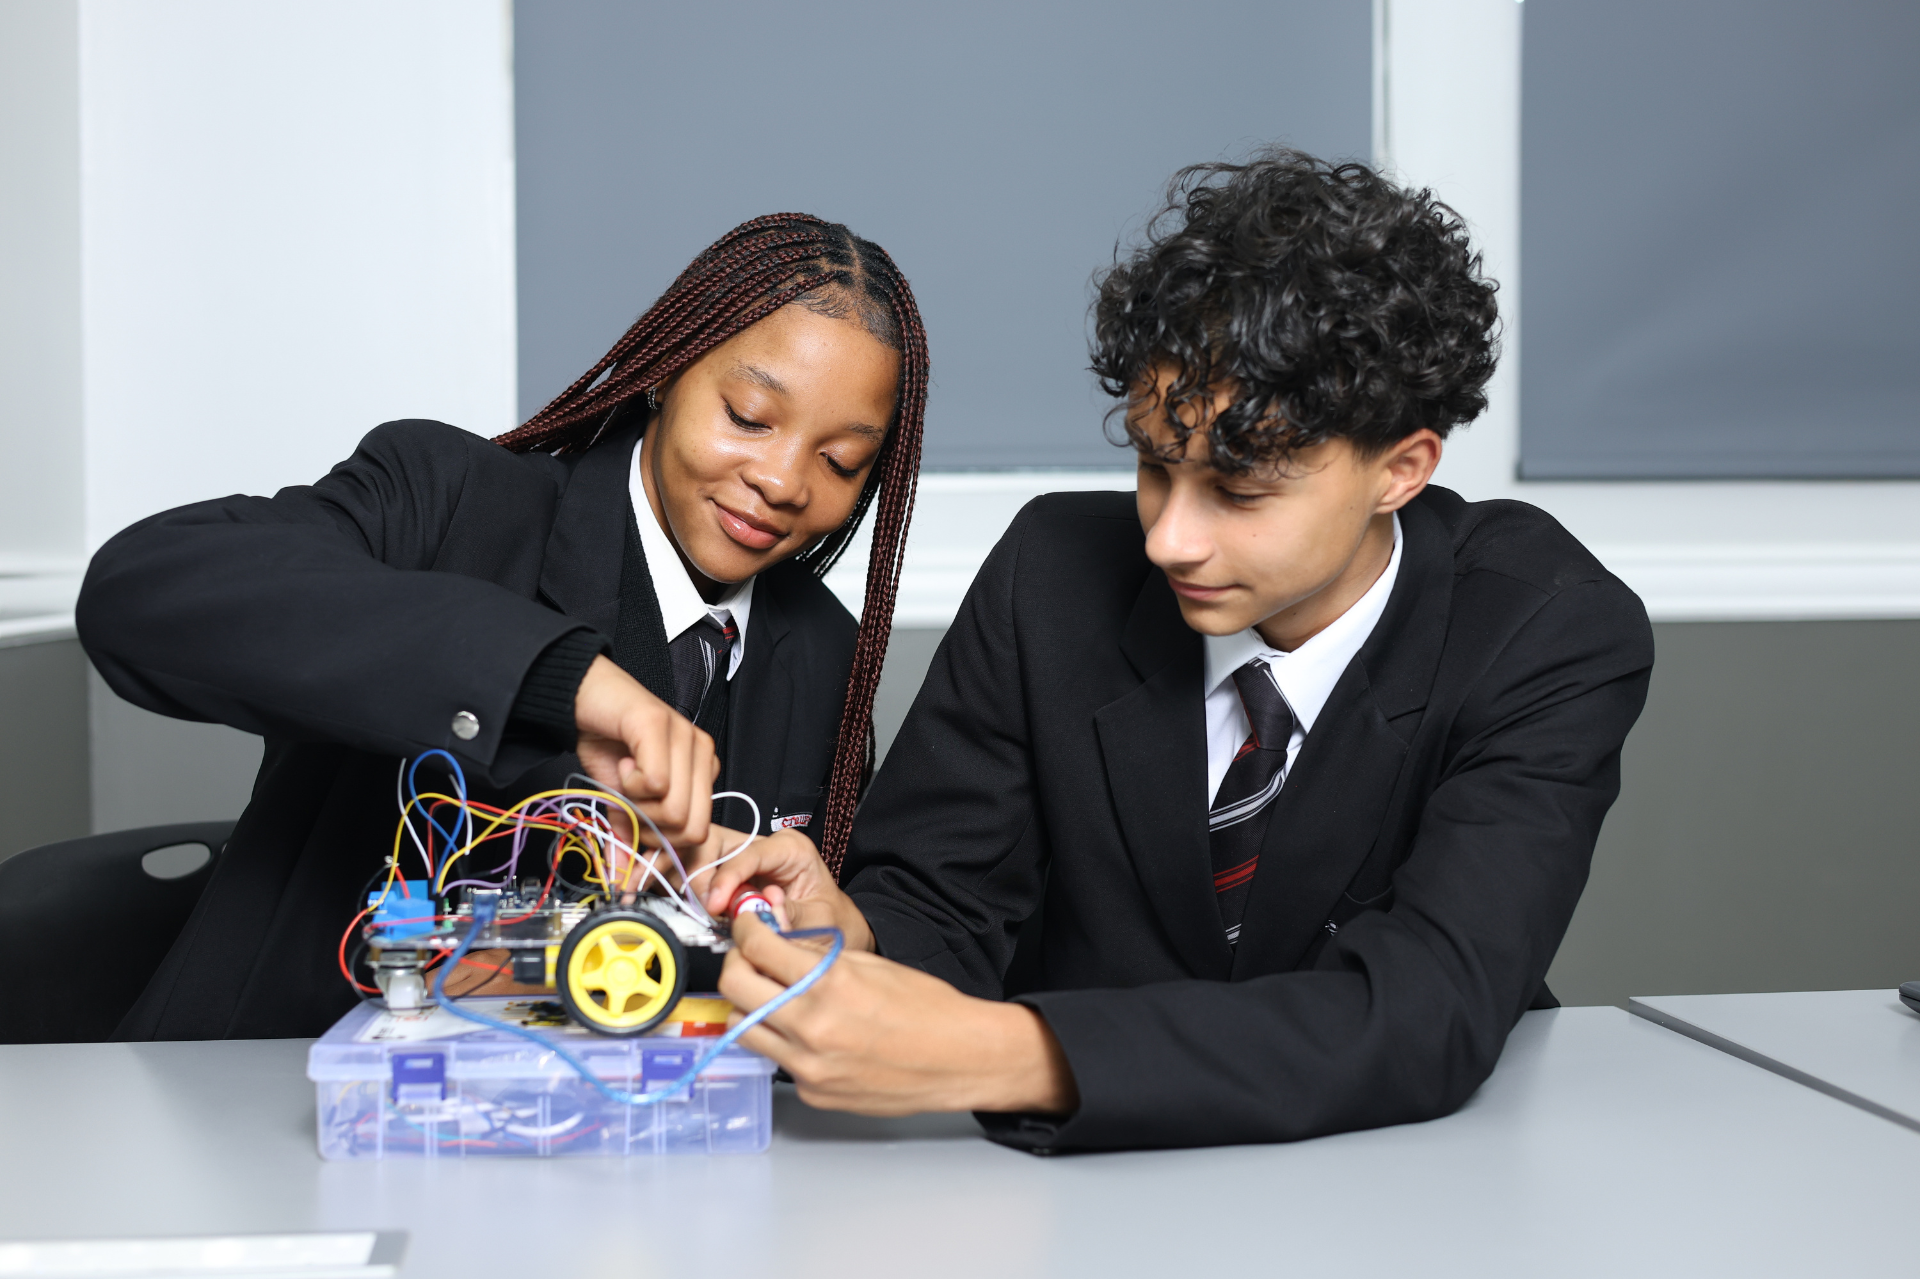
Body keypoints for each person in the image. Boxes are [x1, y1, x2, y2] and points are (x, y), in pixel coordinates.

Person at [695, 152, 1656, 1151]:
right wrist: (853, 934)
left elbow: (1428, 1005)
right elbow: (941, 898)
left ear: (1400, 470)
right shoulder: (1052, 572)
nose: (1168, 540)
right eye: (1155, 466)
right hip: (1077, 1199)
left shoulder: (1546, 628)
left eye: (1239, 491)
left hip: (1416, 1172)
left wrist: (1008, 1053)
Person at [77, 214, 929, 1040]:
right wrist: (555, 677)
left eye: (840, 461)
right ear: (666, 374)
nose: (783, 480)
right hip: (283, 1092)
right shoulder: (449, 501)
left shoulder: (827, 653)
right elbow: (140, 590)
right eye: (748, 415)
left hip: (637, 1118)